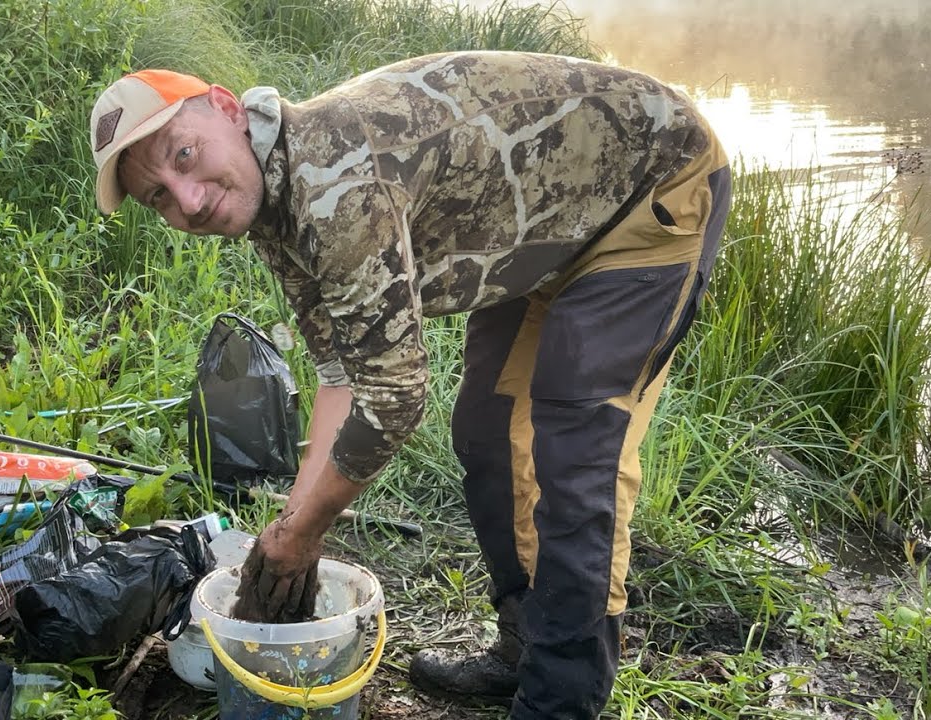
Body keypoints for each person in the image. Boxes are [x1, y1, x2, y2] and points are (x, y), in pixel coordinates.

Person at [89, 51, 730, 719]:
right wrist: (289, 526)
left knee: (576, 451)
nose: (186, 199)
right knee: (487, 431)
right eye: (157, 195)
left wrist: (303, 533)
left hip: (649, 181)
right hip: (551, 225)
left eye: (184, 155)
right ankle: (522, 645)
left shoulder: (333, 182)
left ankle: (560, 699)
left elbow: (394, 396)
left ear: (226, 108)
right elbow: (342, 375)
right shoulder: (271, 201)